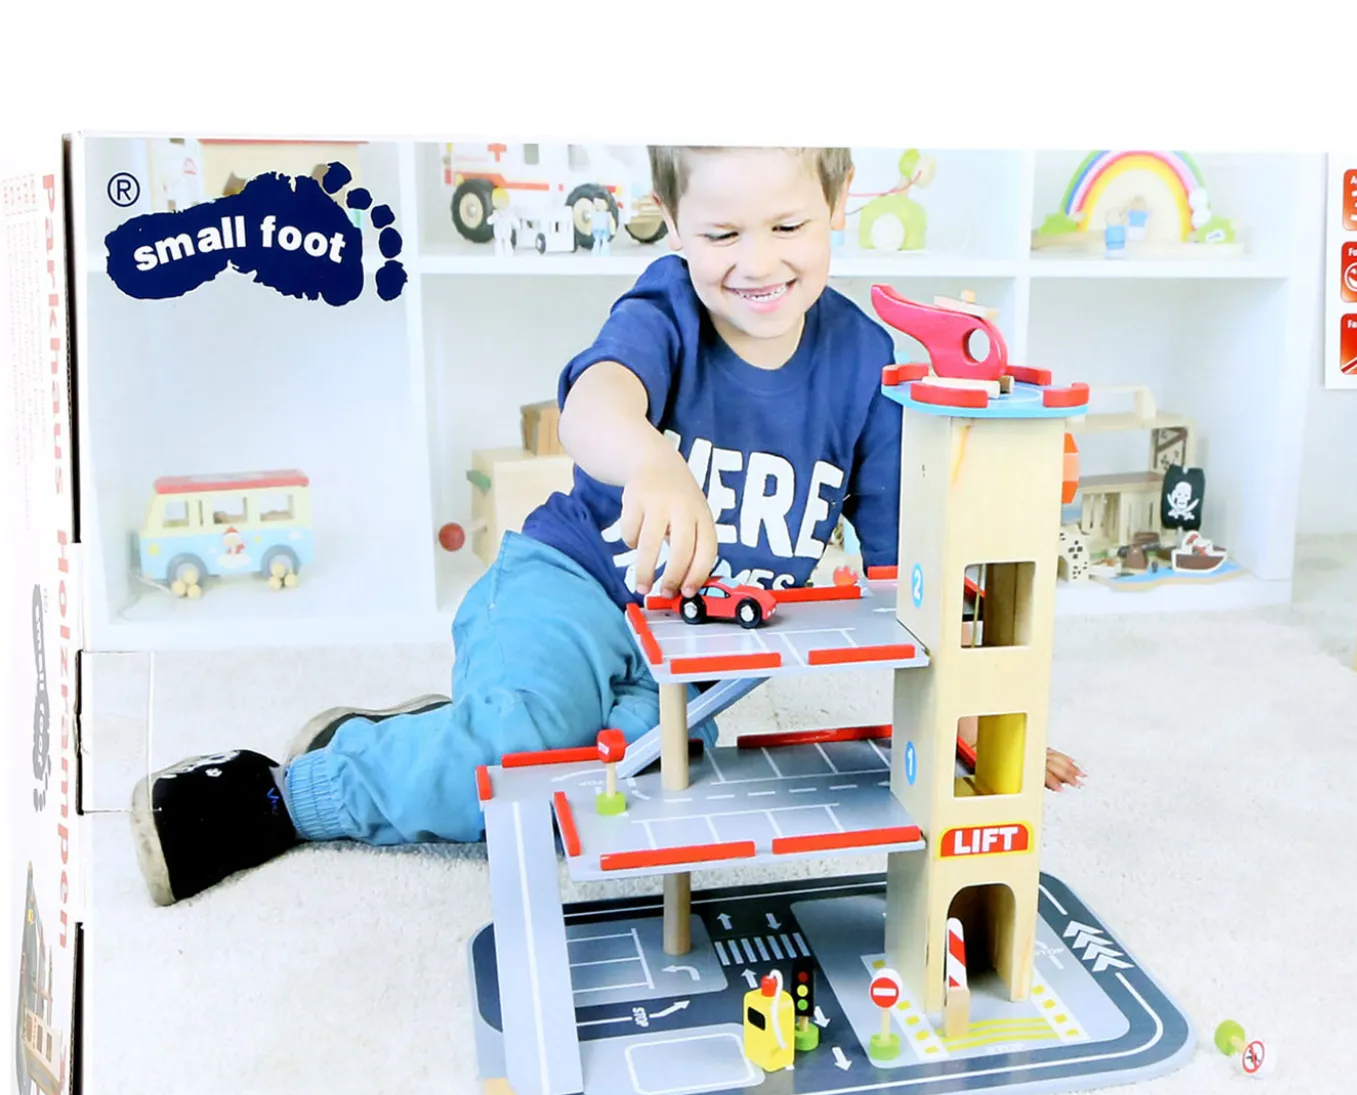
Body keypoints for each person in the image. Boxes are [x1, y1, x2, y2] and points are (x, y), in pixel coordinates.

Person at [132, 146, 1081, 906]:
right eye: (722, 233)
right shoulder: (668, 306)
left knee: (611, 800)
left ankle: (426, 734)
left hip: (692, 663)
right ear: (673, 219)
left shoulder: (869, 364)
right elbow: (594, 405)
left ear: (839, 200)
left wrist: (975, 716)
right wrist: (653, 460)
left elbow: (909, 572)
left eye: (789, 226)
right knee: (519, 758)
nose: (757, 263)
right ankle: (283, 794)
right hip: (575, 584)